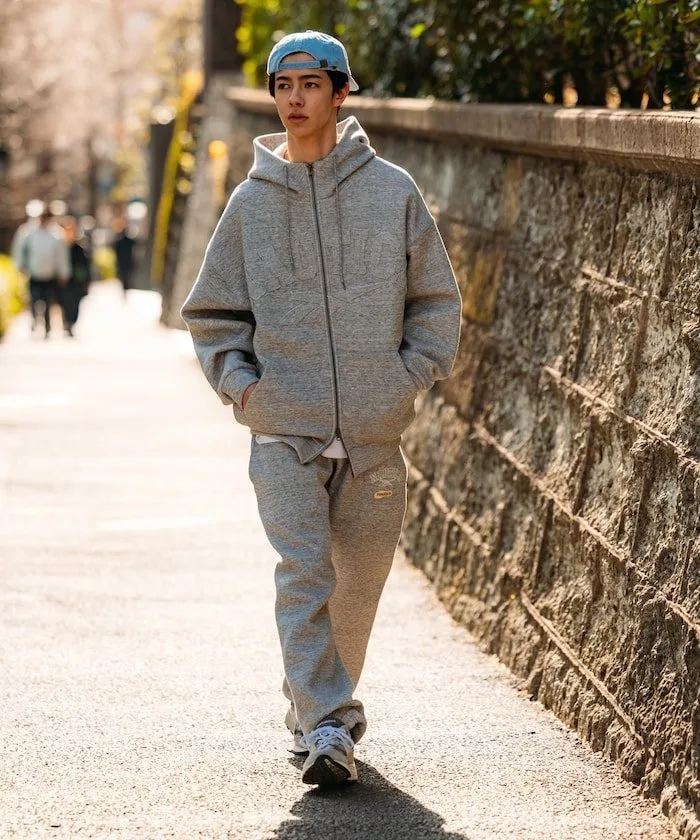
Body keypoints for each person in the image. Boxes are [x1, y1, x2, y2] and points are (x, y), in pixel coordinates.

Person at [181, 30, 461, 788]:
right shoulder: (250, 204)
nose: (294, 99)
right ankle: (331, 723)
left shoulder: (392, 192)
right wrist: (244, 387)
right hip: (283, 433)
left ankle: (310, 707)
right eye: (283, 85)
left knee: (356, 588)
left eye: (310, 84)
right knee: (304, 573)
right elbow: (212, 315)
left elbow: (436, 301)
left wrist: (407, 377)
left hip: (374, 436)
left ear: (340, 93)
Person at [18, 207, 70, 338]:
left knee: (48, 301)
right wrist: (21, 267)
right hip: (34, 274)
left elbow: (61, 256)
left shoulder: (56, 234)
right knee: (34, 300)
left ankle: (47, 327)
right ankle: (34, 321)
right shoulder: (29, 232)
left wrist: (63, 272)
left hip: (50, 275)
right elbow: (21, 251)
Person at [59, 218, 91, 336]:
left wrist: (87, 281)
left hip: (77, 281)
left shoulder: (80, 249)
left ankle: (71, 323)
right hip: (64, 281)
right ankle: (66, 322)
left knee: (75, 303)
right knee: (64, 303)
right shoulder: (61, 248)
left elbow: (86, 266)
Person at [112, 218, 136, 297]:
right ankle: (126, 289)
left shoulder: (120, 241)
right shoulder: (126, 241)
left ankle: (126, 289)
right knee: (126, 277)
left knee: (125, 277)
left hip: (124, 262)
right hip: (126, 262)